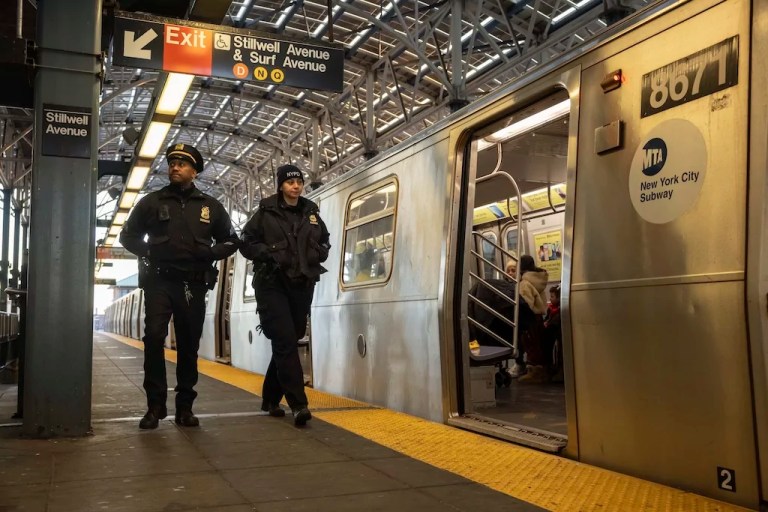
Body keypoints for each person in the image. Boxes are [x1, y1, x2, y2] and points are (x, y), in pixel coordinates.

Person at [120, 143, 240, 429]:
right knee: (153, 337)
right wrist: (149, 252)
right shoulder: (152, 202)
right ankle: (155, 405)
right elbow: (128, 236)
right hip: (160, 281)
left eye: (182, 164)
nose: (175, 167)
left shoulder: (210, 207)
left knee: (188, 345)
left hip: (193, 284)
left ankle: (185, 407)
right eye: (172, 162)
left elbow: (232, 240)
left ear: (194, 171)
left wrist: (210, 254)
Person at [240, 164, 331, 427]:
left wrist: (319, 252)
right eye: (290, 182)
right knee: (285, 342)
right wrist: (266, 254)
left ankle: (270, 398)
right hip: (272, 284)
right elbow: (246, 242)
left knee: (289, 339)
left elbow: (324, 239)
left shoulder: (310, 212)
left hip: (301, 283)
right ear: (281, 185)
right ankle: (298, 405)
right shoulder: (266, 212)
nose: (296, 186)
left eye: (299, 181)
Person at [516, 255, 549, 383]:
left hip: (529, 317)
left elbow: (525, 304)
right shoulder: (538, 280)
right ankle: (541, 370)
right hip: (538, 317)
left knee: (530, 344)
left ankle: (534, 372)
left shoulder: (525, 283)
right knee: (538, 343)